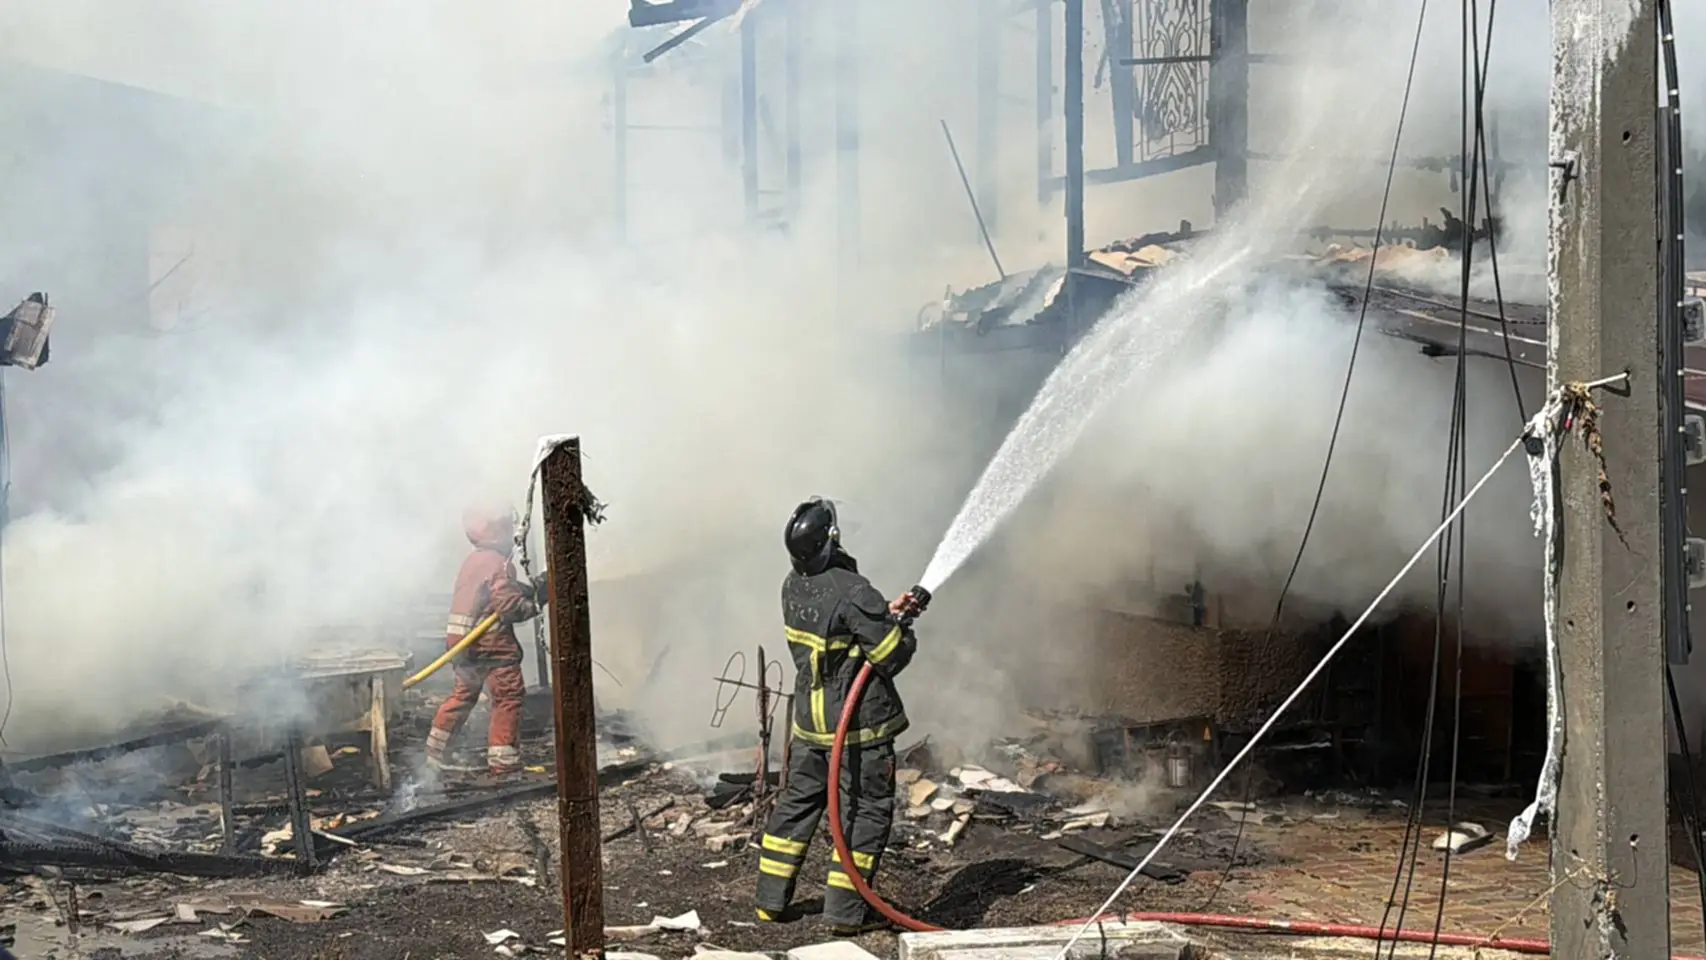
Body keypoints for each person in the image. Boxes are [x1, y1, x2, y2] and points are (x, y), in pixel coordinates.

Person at [755, 497, 924, 936]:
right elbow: (889, 656)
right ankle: (845, 914)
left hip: (811, 727)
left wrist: (882, 613)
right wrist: (901, 630)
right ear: (830, 539)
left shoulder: (793, 585)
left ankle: (769, 901)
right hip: (857, 730)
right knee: (864, 814)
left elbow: (838, 626)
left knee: (796, 807)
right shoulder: (853, 590)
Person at [426, 505, 546, 776]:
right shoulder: (499, 563)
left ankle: (435, 755)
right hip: (492, 646)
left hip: (462, 646)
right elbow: (509, 608)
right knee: (507, 698)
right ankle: (504, 764)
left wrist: (528, 589)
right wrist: (538, 601)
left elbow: (487, 596)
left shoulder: (472, 561)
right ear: (500, 528)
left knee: (463, 695)